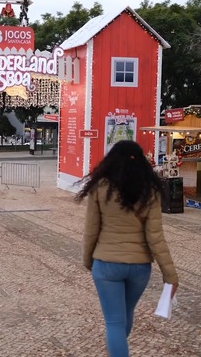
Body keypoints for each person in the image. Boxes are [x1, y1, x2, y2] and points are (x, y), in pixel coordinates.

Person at [76, 140, 179, 357]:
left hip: (107, 264)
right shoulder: (150, 190)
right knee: (124, 315)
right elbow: (156, 237)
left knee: (114, 322)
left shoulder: (100, 187)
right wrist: (170, 274)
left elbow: (91, 231)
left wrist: (87, 260)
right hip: (140, 266)